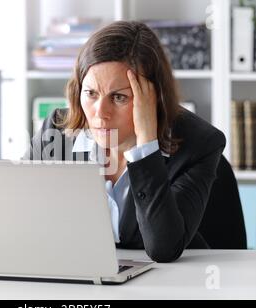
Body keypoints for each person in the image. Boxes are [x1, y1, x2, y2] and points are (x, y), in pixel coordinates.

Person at [24, 21, 226, 263]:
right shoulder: (56, 132)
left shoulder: (200, 144)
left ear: (153, 98)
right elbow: (18, 215)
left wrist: (146, 146)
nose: (100, 112)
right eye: (91, 94)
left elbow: (163, 249)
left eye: (118, 97)